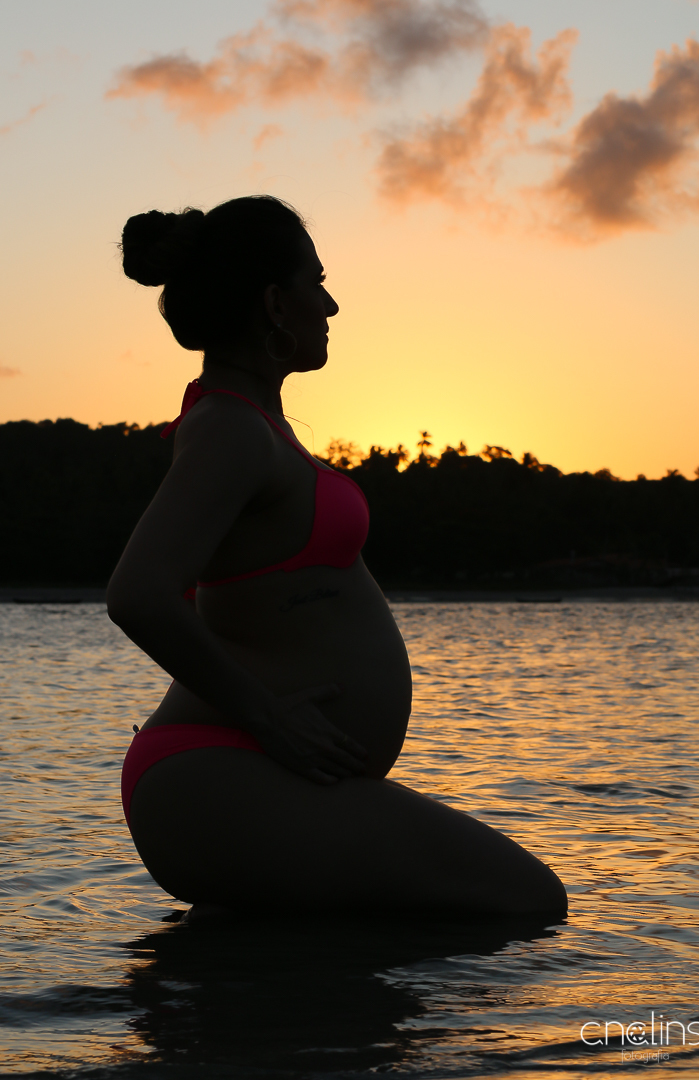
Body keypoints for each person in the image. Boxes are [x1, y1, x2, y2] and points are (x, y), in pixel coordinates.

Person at [108, 195, 567, 916]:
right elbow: (138, 593)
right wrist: (267, 716)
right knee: (527, 902)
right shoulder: (230, 429)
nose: (332, 303)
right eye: (315, 281)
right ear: (275, 305)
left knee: (319, 995)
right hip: (218, 769)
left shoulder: (249, 425)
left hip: (239, 773)